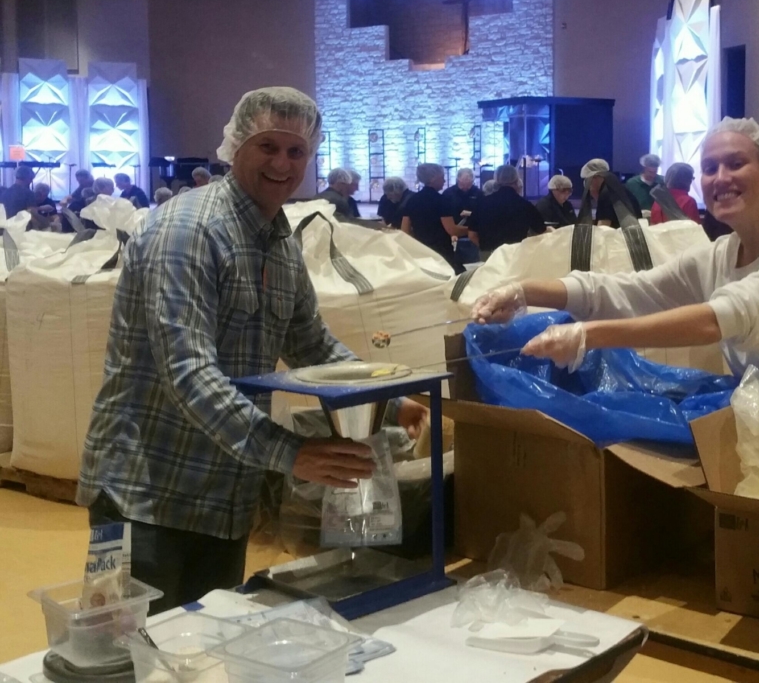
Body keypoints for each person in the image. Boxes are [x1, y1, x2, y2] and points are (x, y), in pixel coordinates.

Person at [77, 87, 428, 613]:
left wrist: (388, 397)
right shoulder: (188, 232)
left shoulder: (278, 240)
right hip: (148, 494)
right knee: (134, 658)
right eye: (268, 146)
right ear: (235, 146)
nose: (282, 164)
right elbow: (189, 374)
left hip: (224, 493)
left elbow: (310, 341)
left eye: (296, 152)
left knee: (203, 649)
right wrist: (293, 455)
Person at [471, 117, 759, 417]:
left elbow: (718, 320)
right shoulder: (720, 255)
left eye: (736, 163)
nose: (720, 177)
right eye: (709, 167)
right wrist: (523, 290)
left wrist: (588, 335)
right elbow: (627, 290)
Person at [468, 165, 547, 255]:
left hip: (489, 254)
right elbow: (541, 231)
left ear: (496, 178)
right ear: (517, 180)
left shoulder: (482, 203)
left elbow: (472, 235)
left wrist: (486, 248)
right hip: (516, 254)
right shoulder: (525, 205)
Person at [401, 163, 465, 272]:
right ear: (433, 179)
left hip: (421, 251)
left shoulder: (412, 200)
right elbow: (451, 230)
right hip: (441, 252)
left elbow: (405, 230)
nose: (444, 181)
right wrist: (472, 229)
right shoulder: (442, 200)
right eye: (442, 178)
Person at [580, 159, 642, 228]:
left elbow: (603, 228)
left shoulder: (605, 194)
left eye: (588, 180)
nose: (589, 185)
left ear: (595, 177)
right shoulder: (620, 188)